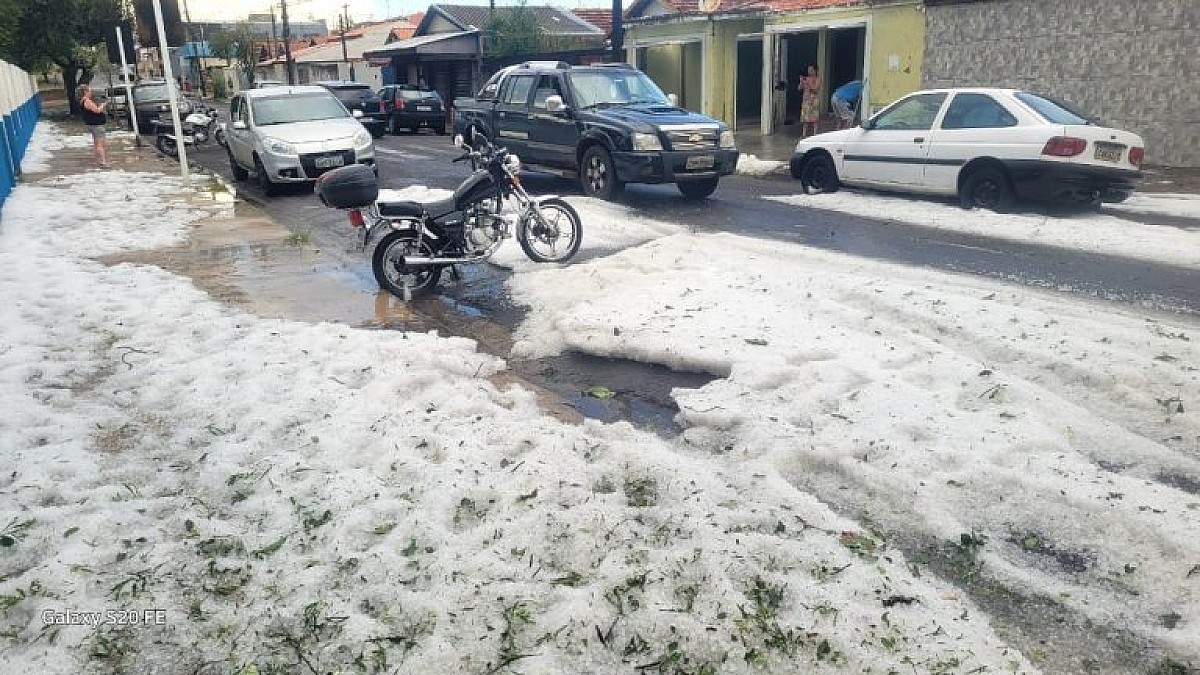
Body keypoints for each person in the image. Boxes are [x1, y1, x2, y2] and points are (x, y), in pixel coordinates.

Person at [77, 84, 110, 168]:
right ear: (85, 92)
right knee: (100, 144)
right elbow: (97, 110)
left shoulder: (82, 101)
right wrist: (103, 105)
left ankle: (98, 160)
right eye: (89, 91)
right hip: (96, 125)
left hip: (92, 124)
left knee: (96, 143)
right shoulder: (87, 101)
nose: (91, 92)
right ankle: (103, 162)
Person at [798, 65, 822, 137]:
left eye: (811, 70)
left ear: (815, 71)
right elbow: (799, 89)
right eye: (808, 70)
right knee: (805, 118)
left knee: (814, 118)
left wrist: (807, 83)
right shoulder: (806, 78)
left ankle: (815, 134)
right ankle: (804, 134)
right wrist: (801, 82)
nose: (809, 72)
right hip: (806, 100)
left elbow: (815, 89)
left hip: (814, 100)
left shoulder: (818, 79)